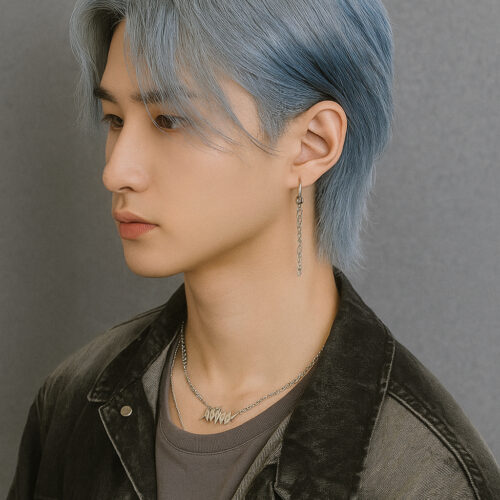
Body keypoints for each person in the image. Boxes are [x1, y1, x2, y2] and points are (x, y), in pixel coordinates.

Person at [8, 0, 500, 498]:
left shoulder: (428, 478)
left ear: (312, 143)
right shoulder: (73, 403)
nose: (116, 171)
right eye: (114, 119)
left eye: (168, 120)